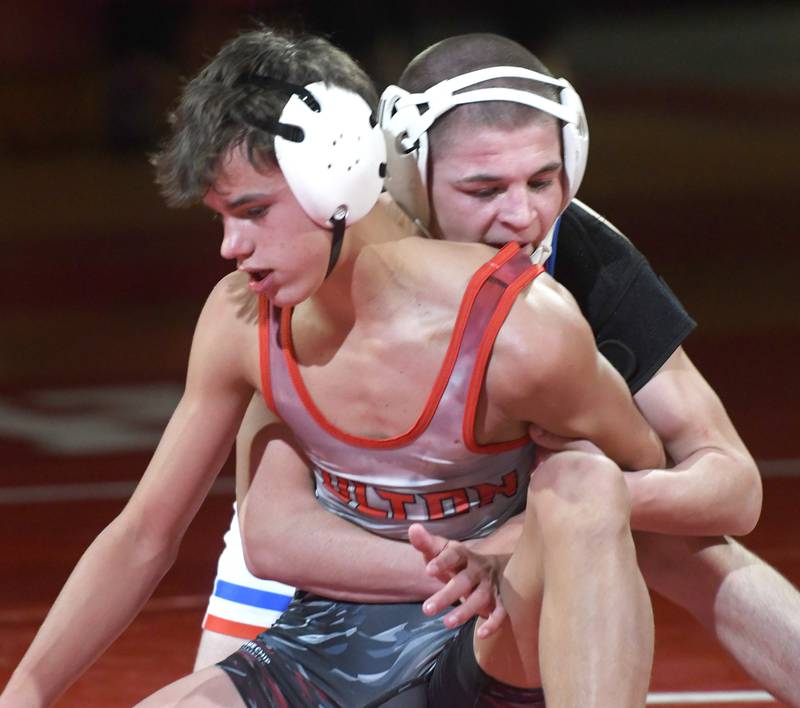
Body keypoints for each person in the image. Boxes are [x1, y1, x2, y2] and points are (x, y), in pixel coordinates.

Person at [0, 26, 670, 708]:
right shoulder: (242, 321)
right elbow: (145, 535)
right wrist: (21, 694)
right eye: (222, 218)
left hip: (489, 630)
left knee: (585, 485)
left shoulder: (519, 323)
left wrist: (507, 546)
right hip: (329, 637)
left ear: (340, 178)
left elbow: (635, 487)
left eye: (252, 212)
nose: (231, 246)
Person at [195, 33, 800, 708]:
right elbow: (276, 527)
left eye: (543, 180)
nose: (522, 215)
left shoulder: (579, 252)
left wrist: (562, 514)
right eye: (482, 189)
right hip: (354, 545)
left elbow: (732, 486)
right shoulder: (332, 252)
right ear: (402, 173)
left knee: (657, 531)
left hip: (503, 540)